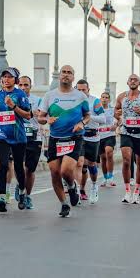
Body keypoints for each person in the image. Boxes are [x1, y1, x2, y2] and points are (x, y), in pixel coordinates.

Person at [38, 65, 89, 218]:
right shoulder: (49, 95)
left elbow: (87, 115)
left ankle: (72, 186)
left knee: (65, 171)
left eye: (69, 73)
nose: (66, 75)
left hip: (74, 138)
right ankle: (64, 204)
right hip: (55, 138)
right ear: (59, 76)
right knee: (54, 172)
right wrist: (47, 119)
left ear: (73, 77)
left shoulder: (80, 96)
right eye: (64, 72)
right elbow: (40, 118)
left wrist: (82, 124)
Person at [0, 67, 31, 212]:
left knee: (19, 167)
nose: (6, 79)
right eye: (4, 76)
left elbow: (28, 115)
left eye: (9, 77)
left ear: (16, 80)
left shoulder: (21, 94)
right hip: (2, 134)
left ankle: (21, 193)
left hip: (18, 136)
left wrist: (13, 106)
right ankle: (2, 197)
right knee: (3, 164)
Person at [114, 74, 140, 205]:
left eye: (135, 79)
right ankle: (127, 191)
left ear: (139, 83)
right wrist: (117, 115)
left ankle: (136, 192)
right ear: (127, 82)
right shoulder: (121, 97)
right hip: (126, 132)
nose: (132, 81)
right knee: (126, 160)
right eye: (130, 79)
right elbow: (115, 110)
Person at [75, 79, 105, 204]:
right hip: (79, 136)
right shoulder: (73, 101)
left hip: (92, 136)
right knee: (80, 163)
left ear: (88, 90)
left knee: (91, 164)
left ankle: (93, 186)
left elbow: (103, 119)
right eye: (79, 90)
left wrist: (88, 116)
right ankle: (78, 191)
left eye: (84, 90)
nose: (81, 92)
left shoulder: (95, 101)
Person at [16, 75, 43, 210]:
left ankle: (28, 195)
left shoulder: (38, 100)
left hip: (34, 137)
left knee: (30, 170)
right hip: (17, 137)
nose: (23, 88)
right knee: (19, 165)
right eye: (20, 85)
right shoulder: (12, 99)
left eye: (26, 85)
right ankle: (20, 185)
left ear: (30, 87)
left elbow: (42, 117)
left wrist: (39, 115)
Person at [98, 91, 117, 187]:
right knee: (103, 158)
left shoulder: (112, 110)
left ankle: (111, 177)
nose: (104, 99)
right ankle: (105, 178)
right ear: (100, 99)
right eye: (103, 97)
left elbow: (120, 119)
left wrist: (116, 125)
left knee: (108, 152)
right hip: (99, 136)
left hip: (110, 135)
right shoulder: (97, 110)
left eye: (106, 97)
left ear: (109, 100)